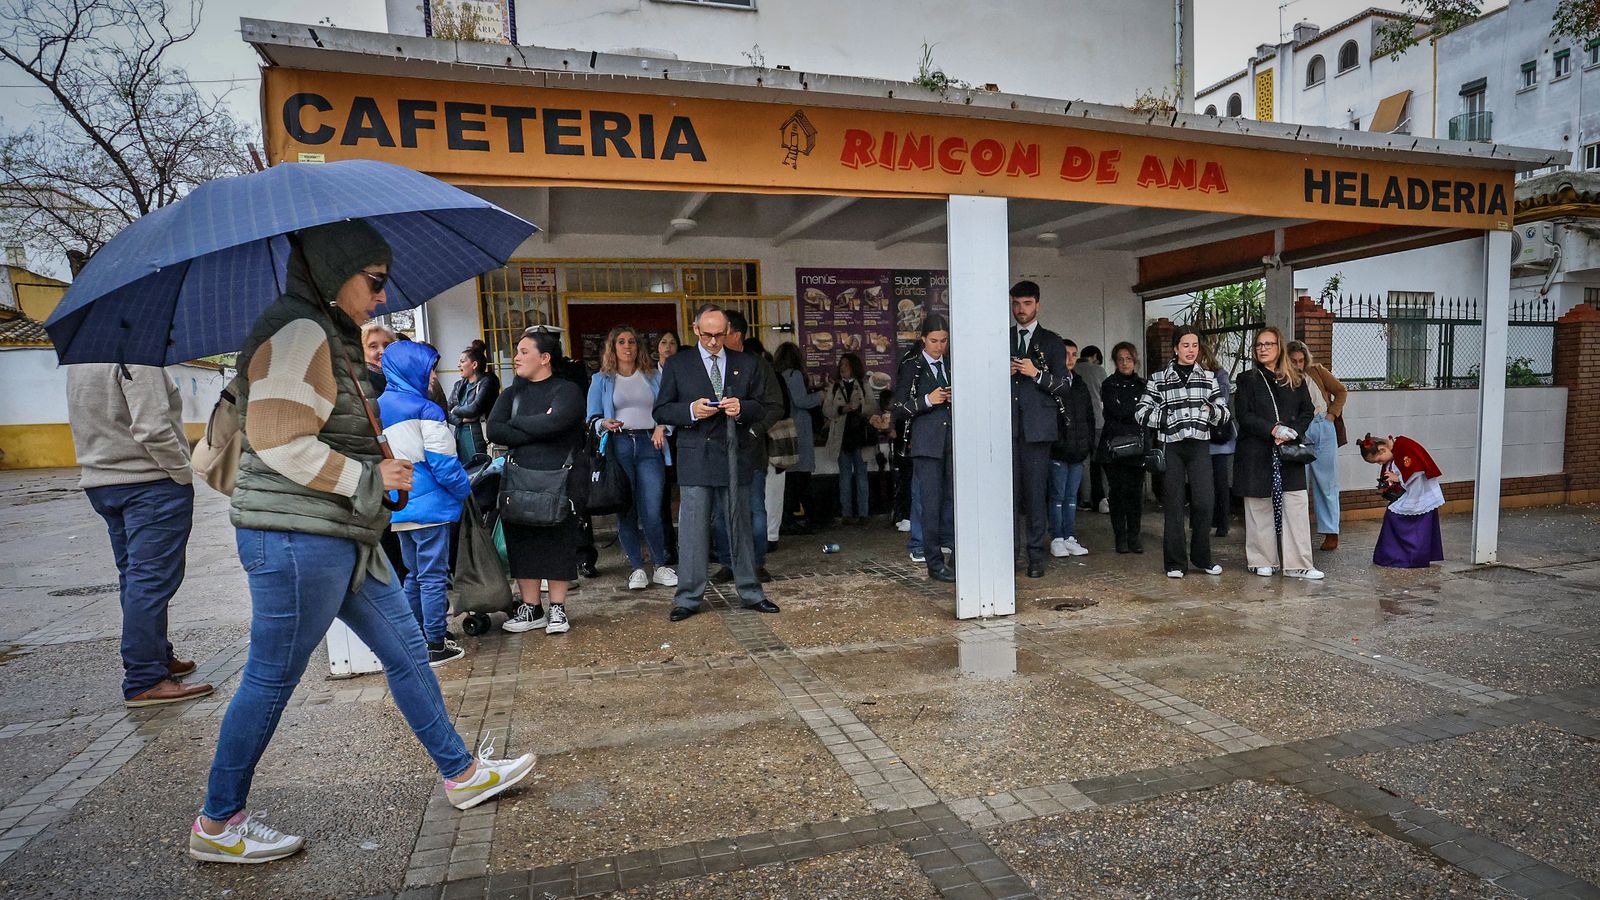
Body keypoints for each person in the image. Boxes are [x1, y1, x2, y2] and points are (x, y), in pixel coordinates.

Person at [192, 220, 533, 865]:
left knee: (407, 651)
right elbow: (280, 439)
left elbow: (325, 429)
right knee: (269, 679)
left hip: (341, 532)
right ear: (332, 270)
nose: (382, 297)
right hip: (298, 537)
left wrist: (371, 457)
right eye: (373, 281)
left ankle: (460, 774)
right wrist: (370, 476)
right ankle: (218, 819)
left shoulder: (327, 332)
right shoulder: (296, 331)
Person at [66, 363, 213, 708]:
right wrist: (180, 472)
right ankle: (146, 677)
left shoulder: (83, 361)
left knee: (135, 579)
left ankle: (156, 656)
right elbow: (152, 428)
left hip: (103, 483)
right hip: (147, 483)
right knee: (150, 580)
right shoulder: (133, 356)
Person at [653, 305, 780, 621]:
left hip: (735, 453)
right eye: (707, 334)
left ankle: (750, 592)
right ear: (695, 330)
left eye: (719, 335)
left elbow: (765, 406)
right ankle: (688, 598)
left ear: (728, 332)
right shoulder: (679, 364)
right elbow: (662, 411)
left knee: (740, 525)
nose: (713, 341)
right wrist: (692, 411)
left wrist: (742, 408)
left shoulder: (746, 363)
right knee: (693, 530)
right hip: (696, 455)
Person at [377, 340, 472, 667]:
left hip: (399, 505)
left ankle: (413, 636)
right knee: (432, 576)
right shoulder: (426, 409)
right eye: (429, 368)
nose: (433, 375)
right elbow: (444, 464)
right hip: (430, 507)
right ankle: (435, 642)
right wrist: (464, 490)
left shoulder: (378, 407)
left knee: (413, 576)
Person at [490, 329, 587, 634]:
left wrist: (517, 425)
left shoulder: (567, 390)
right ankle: (531, 608)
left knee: (558, 540)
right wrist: (538, 426)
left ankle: (557, 608)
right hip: (519, 478)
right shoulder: (511, 394)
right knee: (522, 542)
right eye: (516, 352)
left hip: (558, 478)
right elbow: (494, 430)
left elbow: (558, 422)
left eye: (523, 351)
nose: (516, 357)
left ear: (544, 358)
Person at [586, 325, 676, 591]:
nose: (628, 347)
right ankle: (637, 567)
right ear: (613, 347)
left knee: (652, 507)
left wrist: (662, 427)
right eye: (622, 342)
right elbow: (590, 418)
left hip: (651, 444)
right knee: (626, 508)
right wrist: (604, 422)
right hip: (619, 444)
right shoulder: (601, 379)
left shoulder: (652, 376)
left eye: (632, 342)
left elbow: (667, 408)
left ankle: (660, 564)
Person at [1136, 326, 1231, 578]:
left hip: (1200, 445)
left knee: (1203, 502)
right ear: (1176, 348)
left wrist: (1212, 411)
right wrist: (1166, 418)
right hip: (1172, 446)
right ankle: (1175, 563)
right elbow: (1141, 412)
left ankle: (1202, 558)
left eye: (1195, 346)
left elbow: (1224, 412)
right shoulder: (1159, 378)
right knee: (1174, 505)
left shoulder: (1209, 378)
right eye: (1186, 345)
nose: (1191, 350)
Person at [1233, 326, 1322, 580]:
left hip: (1289, 451)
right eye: (1259, 345)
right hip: (1257, 450)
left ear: (1279, 347)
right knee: (1258, 505)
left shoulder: (1294, 377)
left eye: (1268, 344)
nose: (1263, 349)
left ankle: (1299, 564)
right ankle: (1261, 559)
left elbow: (1307, 410)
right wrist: (1272, 429)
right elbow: (1244, 415)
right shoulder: (1247, 379)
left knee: (1295, 502)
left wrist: (1292, 431)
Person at [710, 312, 784, 582]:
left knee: (754, 509)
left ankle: (756, 562)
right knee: (720, 513)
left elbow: (776, 405)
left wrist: (755, 429)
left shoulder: (758, 366)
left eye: (721, 333)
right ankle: (729, 562)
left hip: (750, 449)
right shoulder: (710, 366)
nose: (715, 339)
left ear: (736, 335)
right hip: (716, 449)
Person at [1008, 280, 1072, 579]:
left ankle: (1035, 555)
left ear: (1037, 305)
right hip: (1005, 426)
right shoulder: (1003, 337)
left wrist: (1036, 373)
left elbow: (1064, 386)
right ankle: (1008, 553)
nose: (1021, 310)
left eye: (1027, 304)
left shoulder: (1051, 341)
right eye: (1016, 304)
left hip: (1038, 428)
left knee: (1035, 495)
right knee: (1006, 494)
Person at [892, 316, 956, 582]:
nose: (939, 347)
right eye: (933, 341)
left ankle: (955, 555)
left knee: (954, 501)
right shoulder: (912, 366)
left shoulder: (952, 363)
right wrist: (928, 400)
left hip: (953, 441)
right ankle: (934, 561)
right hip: (926, 444)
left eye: (943, 341)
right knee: (930, 504)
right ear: (923, 339)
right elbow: (898, 409)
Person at [1287, 340, 1348, 551]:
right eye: (1293, 361)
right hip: (1298, 430)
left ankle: (1331, 532)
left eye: (1301, 360)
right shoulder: (1284, 378)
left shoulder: (1317, 371)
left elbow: (1341, 390)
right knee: (1298, 483)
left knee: (1327, 482)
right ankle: (1297, 533)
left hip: (1322, 425)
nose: (1298, 365)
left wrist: (1332, 414)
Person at [1359, 434, 1445, 568]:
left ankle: (1405, 557)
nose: (1380, 463)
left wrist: (1398, 479)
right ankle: (1394, 556)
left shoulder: (1404, 446)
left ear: (1383, 449)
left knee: (1395, 517)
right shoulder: (1397, 448)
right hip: (1412, 491)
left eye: (1378, 460)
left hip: (1420, 492)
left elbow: (1415, 472)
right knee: (1392, 515)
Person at [1048, 339, 1096, 557]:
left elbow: (1089, 417)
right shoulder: (1051, 381)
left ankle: (1070, 536)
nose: (1070, 359)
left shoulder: (1080, 383)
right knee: (1057, 496)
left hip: (1077, 451)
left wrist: (1087, 444)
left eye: (1074, 354)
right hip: (1058, 450)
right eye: (1066, 354)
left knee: (1072, 497)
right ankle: (1057, 537)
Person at [1099, 342, 1147, 554]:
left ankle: (1134, 536)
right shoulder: (1109, 384)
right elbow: (1115, 411)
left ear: (1135, 360)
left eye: (1128, 358)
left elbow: (1145, 414)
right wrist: (1134, 414)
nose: (1125, 363)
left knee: (1135, 494)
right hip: (1114, 447)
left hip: (1136, 448)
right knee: (1117, 493)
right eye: (1120, 359)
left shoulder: (1143, 385)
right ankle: (1120, 537)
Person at [773, 341, 820, 535]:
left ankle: (787, 517)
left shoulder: (777, 375)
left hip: (784, 430)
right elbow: (801, 401)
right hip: (799, 427)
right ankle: (809, 517)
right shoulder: (795, 375)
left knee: (790, 478)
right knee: (802, 477)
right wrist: (820, 396)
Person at [823, 353, 872, 525]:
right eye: (841, 364)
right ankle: (846, 514)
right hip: (842, 438)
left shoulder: (864, 385)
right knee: (844, 477)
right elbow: (826, 410)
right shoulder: (835, 387)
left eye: (847, 364)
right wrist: (841, 409)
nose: (843, 368)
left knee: (861, 476)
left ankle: (863, 514)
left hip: (860, 437)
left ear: (854, 366)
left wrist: (860, 407)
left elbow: (873, 407)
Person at [1200, 341, 1237, 538]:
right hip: (1199, 437)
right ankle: (1207, 520)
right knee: (1204, 484)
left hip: (1218, 438)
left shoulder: (1219, 374)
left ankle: (1222, 522)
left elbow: (1221, 398)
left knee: (1221, 482)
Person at [447, 343, 500, 465]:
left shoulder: (486, 382)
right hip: (460, 436)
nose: (458, 365)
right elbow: (445, 411)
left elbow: (474, 409)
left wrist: (455, 410)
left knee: (481, 470)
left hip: (480, 437)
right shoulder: (458, 385)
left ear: (474, 365)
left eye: (462, 361)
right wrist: (460, 420)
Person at [656, 330, 681, 565]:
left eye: (673, 343)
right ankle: (667, 546)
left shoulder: (684, 371)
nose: (668, 347)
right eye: (664, 342)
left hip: (682, 436)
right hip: (658, 440)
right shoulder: (649, 374)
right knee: (661, 496)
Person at [1077, 344, 1109, 514]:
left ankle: (1085, 500)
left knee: (1084, 463)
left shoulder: (1073, 370)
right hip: (1099, 421)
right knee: (1103, 462)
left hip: (1079, 424)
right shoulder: (1099, 371)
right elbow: (1106, 395)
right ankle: (1106, 498)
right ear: (1095, 356)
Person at [360, 322, 394, 393]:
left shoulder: (398, 376)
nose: (383, 351)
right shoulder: (361, 381)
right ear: (361, 350)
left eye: (386, 345)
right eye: (373, 346)